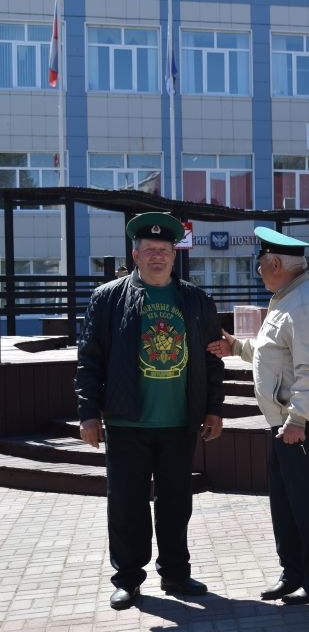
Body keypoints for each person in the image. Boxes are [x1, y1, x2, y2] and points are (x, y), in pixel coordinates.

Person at [75, 212, 224, 611]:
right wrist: (89, 413)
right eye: (149, 250)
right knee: (127, 504)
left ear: (174, 256)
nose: (157, 256)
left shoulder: (195, 299)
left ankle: (175, 572)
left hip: (180, 421)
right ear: (136, 255)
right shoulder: (108, 298)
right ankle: (128, 579)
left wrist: (213, 409)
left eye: (164, 250)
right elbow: (89, 359)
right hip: (127, 420)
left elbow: (212, 360)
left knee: (177, 502)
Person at [207, 228, 309, 605]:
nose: (260, 273)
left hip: (303, 424)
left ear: (276, 264)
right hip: (286, 424)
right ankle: (293, 573)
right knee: (286, 506)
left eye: (260, 266)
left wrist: (298, 418)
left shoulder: (306, 304)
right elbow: (274, 353)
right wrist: (236, 346)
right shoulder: (287, 299)